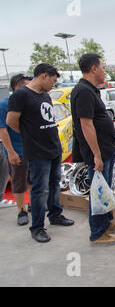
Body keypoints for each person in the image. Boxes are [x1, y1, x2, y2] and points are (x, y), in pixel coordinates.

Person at [6, 63, 74, 243]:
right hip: (37, 152)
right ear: (43, 76)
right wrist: (28, 134)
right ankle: (37, 227)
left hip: (53, 148)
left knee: (54, 184)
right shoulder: (21, 95)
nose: (53, 85)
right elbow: (11, 121)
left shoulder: (44, 95)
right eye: (52, 80)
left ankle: (55, 214)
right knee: (39, 189)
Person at [70, 53, 115, 246]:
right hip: (97, 153)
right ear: (94, 69)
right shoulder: (83, 91)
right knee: (98, 191)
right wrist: (97, 155)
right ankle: (98, 232)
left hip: (104, 150)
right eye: (103, 67)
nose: (104, 71)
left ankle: (107, 222)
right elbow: (86, 125)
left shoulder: (91, 90)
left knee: (105, 188)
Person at [0, 74, 32, 225]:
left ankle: (33, 205)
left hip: (32, 149)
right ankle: (21, 211)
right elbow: (3, 130)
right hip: (17, 151)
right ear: (17, 87)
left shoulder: (28, 102)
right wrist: (11, 152)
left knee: (32, 180)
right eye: (27, 86)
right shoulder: (5, 105)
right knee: (19, 183)